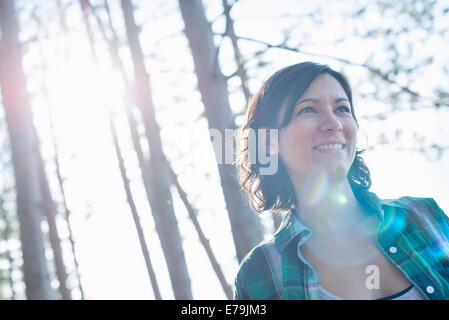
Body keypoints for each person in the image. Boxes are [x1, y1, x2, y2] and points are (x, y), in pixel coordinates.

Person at [233, 61, 449, 300]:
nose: (334, 123)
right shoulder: (259, 272)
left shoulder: (424, 217)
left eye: (342, 109)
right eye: (308, 110)